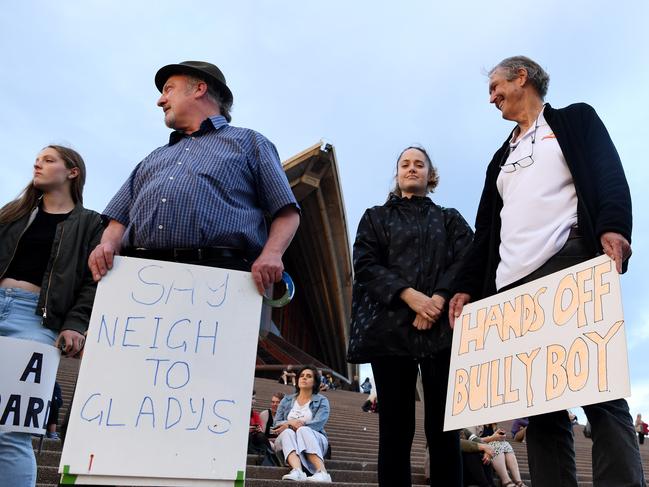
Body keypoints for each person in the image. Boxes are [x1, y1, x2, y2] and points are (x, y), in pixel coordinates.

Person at [449, 55, 646, 487]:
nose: (491, 97)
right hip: (511, 286)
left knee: (599, 390)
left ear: (522, 77)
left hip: (568, 262)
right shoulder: (500, 157)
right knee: (539, 409)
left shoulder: (575, 120)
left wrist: (613, 226)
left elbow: (608, 174)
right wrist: (465, 287)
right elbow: (486, 230)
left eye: (495, 86)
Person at [87, 61, 300, 296]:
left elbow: (286, 211)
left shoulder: (250, 143)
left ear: (199, 89)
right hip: (139, 279)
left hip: (219, 280)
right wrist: (107, 244)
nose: (160, 100)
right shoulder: (152, 158)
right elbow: (118, 219)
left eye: (169, 89)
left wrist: (272, 253)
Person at [347, 146, 474, 486]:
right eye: (405, 164)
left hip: (442, 332)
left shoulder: (450, 218)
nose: (412, 169)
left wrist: (437, 299)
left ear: (430, 175)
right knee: (395, 430)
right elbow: (366, 265)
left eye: (420, 164)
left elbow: (467, 259)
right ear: (397, 173)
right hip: (389, 332)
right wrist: (411, 297)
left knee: (445, 429)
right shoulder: (376, 217)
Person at [0, 145, 103, 487]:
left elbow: (92, 283)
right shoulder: (12, 214)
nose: (37, 163)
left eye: (48, 159)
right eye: (37, 159)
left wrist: (75, 324)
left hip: (35, 321)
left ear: (72, 171)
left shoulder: (91, 224)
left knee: (12, 430)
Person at [271, 365, 331, 482]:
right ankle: (297, 471)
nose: (304, 378)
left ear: (315, 382)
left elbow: (318, 424)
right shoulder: (286, 400)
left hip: (314, 439)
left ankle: (323, 473)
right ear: (297, 379)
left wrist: (294, 425)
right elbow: (276, 424)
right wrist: (291, 423)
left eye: (309, 376)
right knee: (288, 432)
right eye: (302, 376)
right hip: (288, 440)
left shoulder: (322, 400)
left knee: (303, 430)